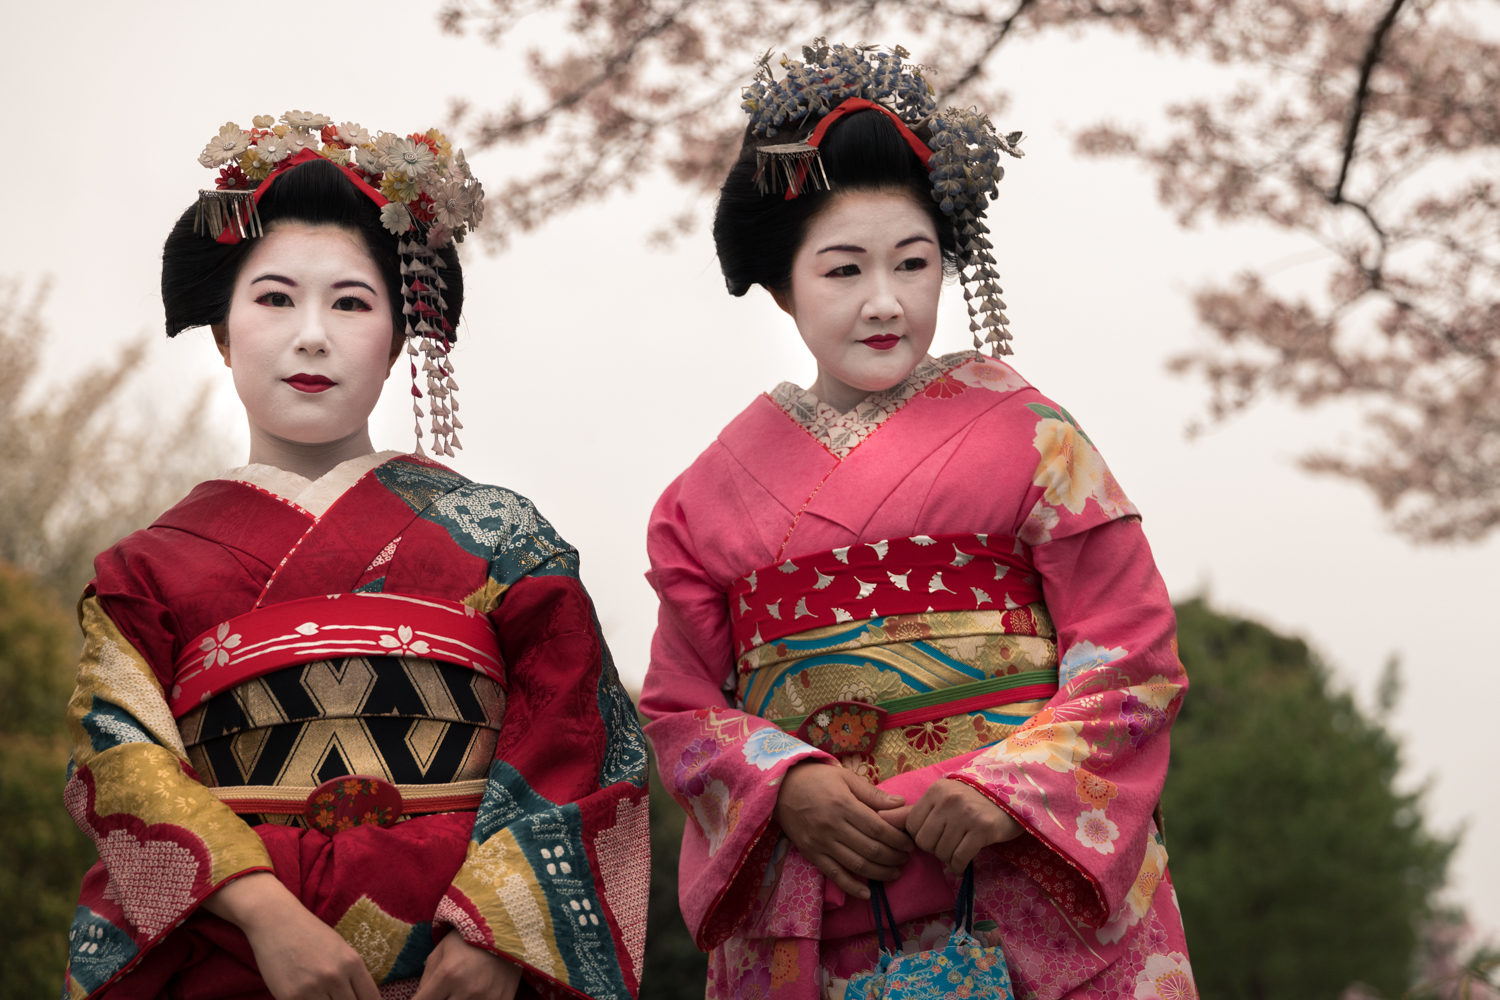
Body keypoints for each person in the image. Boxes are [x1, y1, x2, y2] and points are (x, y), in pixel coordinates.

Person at [638, 44, 1196, 999]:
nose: (886, 301)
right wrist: (784, 785)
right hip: (823, 890)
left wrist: (1006, 788)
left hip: (1025, 878)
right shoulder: (704, 498)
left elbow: (1133, 656)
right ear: (783, 287)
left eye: (914, 262)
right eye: (844, 269)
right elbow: (683, 704)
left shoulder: (1035, 438)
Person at [62, 112, 649, 1000]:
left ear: (399, 341)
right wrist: (265, 914)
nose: (312, 335)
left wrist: (499, 934)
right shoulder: (145, 573)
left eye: (350, 302)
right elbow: (121, 765)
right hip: (239, 964)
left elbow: (583, 740)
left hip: (469, 967)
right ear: (221, 332)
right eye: (274, 299)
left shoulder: (503, 541)